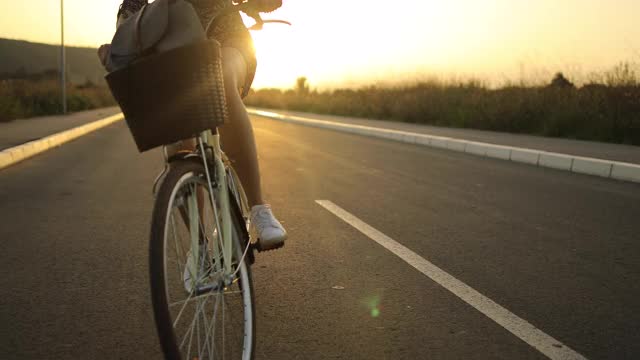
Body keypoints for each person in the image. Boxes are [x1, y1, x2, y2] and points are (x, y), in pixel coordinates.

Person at [110, 0, 287, 250]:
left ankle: (259, 209)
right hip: (176, 49)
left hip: (228, 39)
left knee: (221, 77)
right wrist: (126, 27)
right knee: (178, 137)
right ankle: (199, 245)